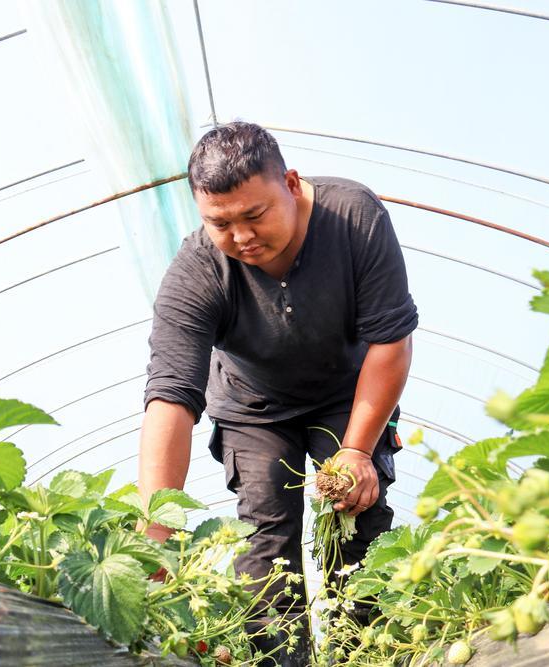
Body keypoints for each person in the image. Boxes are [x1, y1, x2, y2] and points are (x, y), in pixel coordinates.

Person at [138, 121, 416, 665]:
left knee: (355, 517)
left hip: (347, 392)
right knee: (265, 539)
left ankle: (367, 654)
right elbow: (170, 397)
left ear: (290, 183)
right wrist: (155, 530)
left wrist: (358, 451)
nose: (240, 236)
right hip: (253, 410)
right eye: (220, 223)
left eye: (254, 214)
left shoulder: (355, 216)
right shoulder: (197, 271)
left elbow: (390, 342)